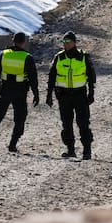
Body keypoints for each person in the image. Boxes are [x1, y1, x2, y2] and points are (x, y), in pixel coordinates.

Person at [0, 31, 40, 152]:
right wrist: (36, 93)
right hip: (20, 91)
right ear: (24, 42)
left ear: (13, 40)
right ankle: (12, 144)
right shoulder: (27, 57)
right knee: (20, 118)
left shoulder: (3, 54)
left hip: (4, 89)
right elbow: (33, 77)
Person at [46, 31, 96, 159]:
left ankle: (87, 151)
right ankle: (70, 150)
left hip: (80, 95)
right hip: (63, 95)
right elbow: (52, 76)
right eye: (64, 42)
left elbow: (91, 76)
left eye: (68, 42)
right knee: (66, 124)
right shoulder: (59, 57)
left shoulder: (84, 56)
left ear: (74, 42)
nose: (66, 44)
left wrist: (91, 93)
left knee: (83, 123)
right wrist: (49, 94)